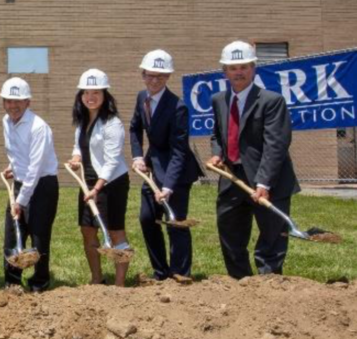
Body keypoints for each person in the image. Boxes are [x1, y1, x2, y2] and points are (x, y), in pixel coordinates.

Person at [208, 41, 300, 278]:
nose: (238, 72)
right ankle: (241, 286)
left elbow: (276, 145)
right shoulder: (219, 99)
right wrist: (218, 152)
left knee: (271, 238)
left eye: (244, 67)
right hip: (232, 178)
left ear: (253, 69)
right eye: (233, 67)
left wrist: (263, 183)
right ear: (224, 71)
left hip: (269, 180)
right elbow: (218, 133)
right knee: (230, 233)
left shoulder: (271, 100)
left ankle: (268, 286)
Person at [129, 50, 203, 282]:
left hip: (177, 173)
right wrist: (138, 156)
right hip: (153, 166)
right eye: (149, 75)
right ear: (143, 75)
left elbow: (179, 151)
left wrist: (169, 186)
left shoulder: (177, 107)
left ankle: (180, 273)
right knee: (147, 218)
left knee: (176, 222)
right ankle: (160, 271)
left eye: (159, 77)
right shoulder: (142, 97)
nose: (154, 81)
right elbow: (134, 128)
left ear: (167, 77)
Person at [68, 69, 131, 287]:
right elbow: (79, 146)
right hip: (88, 183)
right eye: (86, 93)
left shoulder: (112, 123)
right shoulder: (82, 121)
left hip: (111, 184)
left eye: (96, 92)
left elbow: (112, 161)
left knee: (114, 231)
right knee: (87, 230)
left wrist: (97, 188)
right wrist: (76, 158)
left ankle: (120, 284)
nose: (90, 97)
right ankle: (97, 278)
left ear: (105, 95)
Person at [0, 78, 59, 292]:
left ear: (28, 102)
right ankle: (12, 282)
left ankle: (39, 282)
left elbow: (35, 167)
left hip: (42, 185)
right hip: (20, 181)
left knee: (38, 236)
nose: (12, 106)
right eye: (8, 101)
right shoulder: (6, 121)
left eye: (18, 101)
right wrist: (12, 167)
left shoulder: (39, 128)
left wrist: (21, 201)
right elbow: (18, 153)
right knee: (13, 232)